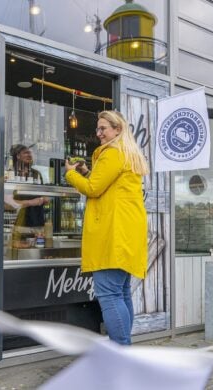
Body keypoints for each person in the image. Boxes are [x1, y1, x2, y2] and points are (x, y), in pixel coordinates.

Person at [65, 110, 149, 345]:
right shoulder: (127, 154)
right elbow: (106, 184)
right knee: (121, 293)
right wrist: (86, 172)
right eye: (98, 128)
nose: (98, 133)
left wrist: (71, 175)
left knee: (109, 295)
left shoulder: (112, 152)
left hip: (113, 235)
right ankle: (124, 349)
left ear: (118, 130)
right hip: (126, 234)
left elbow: (93, 189)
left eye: (103, 128)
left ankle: (120, 352)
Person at [5, 144, 49, 227]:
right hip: (15, 223)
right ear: (17, 156)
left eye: (31, 153)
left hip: (36, 223)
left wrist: (45, 199)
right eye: (26, 153)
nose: (30, 155)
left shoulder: (36, 174)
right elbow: (7, 205)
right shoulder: (10, 174)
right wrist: (32, 202)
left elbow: (44, 197)